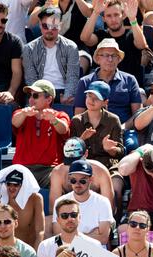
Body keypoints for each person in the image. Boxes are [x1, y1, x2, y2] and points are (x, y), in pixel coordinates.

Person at [70, 80, 125, 222]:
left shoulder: (113, 120)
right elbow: (70, 152)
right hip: (84, 167)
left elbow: (121, 151)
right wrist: (82, 139)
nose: (91, 100)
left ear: (105, 102)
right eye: (89, 96)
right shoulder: (77, 121)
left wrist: (110, 149)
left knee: (117, 189)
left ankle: (113, 224)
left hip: (109, 165)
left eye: (96, 98)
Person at [74, 38, 142, 134]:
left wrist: (121, 128)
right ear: (98, 59)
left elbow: (138, 114)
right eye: (106, 55)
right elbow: (79, 114)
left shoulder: (130, 80)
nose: (110, 59)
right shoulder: (85, 82)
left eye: (114, 56)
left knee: (132, 145)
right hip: (93, 132)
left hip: (124, 131)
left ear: (119, 59)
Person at [49, 137, 114, 237]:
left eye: (83, 181)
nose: (73, 165)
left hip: (96, 214)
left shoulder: (100, 171)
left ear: (86, 154)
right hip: (70, 216)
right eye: (73, 180)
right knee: (48, 222)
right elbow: (55, 210)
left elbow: (109, 207)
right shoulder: (58, 172)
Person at [12, 79, 70, 188]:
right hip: (22, 168)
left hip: (49, 169)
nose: (31, 99)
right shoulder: (22, 113)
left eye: (35, 96)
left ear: (49, 99)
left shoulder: (60, 115)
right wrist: (24, 114)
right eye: (30, 95)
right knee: (1, 183)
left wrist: (54, 120)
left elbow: (64, 129)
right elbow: (15, 122)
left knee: (61, 182)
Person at [79, 0, 148, 85]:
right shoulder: (101, 35)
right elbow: (85, 38)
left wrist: (133, 19)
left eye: (116, 15)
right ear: (103, 19)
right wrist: (96, 13)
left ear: (123, 15)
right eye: (109, 16)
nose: (113, 19)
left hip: (129, 87)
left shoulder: (132, 34)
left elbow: (142, 45)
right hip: (102, 86)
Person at [22, 7, 79, 105]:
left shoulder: (71, 47)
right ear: (39, 24)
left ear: (60, 25)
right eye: (45, 26)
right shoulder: (29, 49)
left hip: (63, 91)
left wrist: (67, 97)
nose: (50, 30)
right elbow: (31, 79)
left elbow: (72, 77)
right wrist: (40, 98)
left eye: (54, 26)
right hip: (39, 91)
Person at [52, 160, 115, 246]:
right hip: (68, 251)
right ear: (69, 180)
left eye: (82, 181)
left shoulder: (103, 202)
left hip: (96, 252)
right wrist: (91, 235)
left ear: (91, 179)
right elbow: (58, 237)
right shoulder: (60, 201)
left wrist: (71, 235)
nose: (77, 184)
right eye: (73, 180)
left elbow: (103, 239)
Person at [0, 166, 44, 250]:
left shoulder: (35, 199)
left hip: (28, 251)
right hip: (4, 252)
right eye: (9, 184)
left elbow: (40, 232)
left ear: (23, 185)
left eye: (16, 184)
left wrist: (35, 256)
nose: (12, 188)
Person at [37, 199, 101, 257]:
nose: (70, 219)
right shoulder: (45, 246)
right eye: (64, 216)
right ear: (58, 220)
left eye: (74, 215)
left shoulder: (94, 245)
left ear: (79, 217)